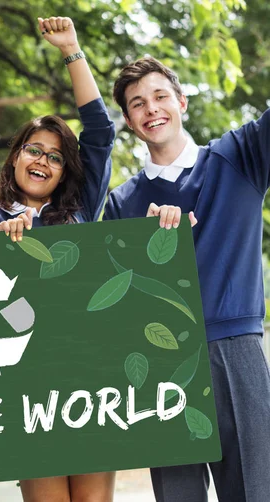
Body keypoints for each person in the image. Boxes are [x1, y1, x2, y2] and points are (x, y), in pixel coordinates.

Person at [104, 55, 270, 502]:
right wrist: (148, 247)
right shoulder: (122, 204)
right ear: (128, 120)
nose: (151, 108)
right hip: (161, 358)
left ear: (182, 101)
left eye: (160, 96)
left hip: (236, 352)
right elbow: (116, 297)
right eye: (137, 103)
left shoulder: (239, 156)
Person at [0, 16, 115, 502]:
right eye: (34, 149)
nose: (42, 161)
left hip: (89, 380)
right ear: (14, 158)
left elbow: (99, 130)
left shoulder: (81, 215)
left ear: (63, 172)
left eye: (55, 156)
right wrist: (0, 250)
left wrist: (72, 50)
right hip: (27, 389)